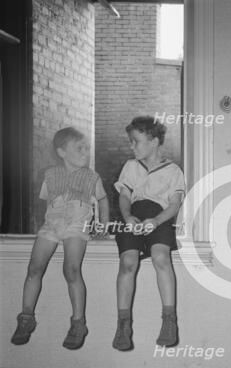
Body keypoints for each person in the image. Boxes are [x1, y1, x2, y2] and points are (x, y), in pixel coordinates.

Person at [11, 127, 109, 349]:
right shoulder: (50, 175)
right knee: (34, 268)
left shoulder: (92, 177)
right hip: (51, 226)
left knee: (71, 270)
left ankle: (78, 322)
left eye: (87, 148)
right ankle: (26, 317)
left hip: (77, 226)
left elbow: (103, 200)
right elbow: (43, 201)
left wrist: (103, 226)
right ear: (62, 152)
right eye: (79, 148)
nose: (85, 152)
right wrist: (38, 225)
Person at [112, 116, 185, 351]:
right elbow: (124, 197)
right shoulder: (131, 167)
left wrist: (156, 221)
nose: (132, 146)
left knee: (161, 258)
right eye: (131, 142)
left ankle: (169, 320)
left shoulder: (173, 171)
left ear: (153, 141)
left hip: (159, 217)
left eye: (136, 141)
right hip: (133, 216)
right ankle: (123, 324)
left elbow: (173, 205)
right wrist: (127, 218)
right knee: (128, 263)